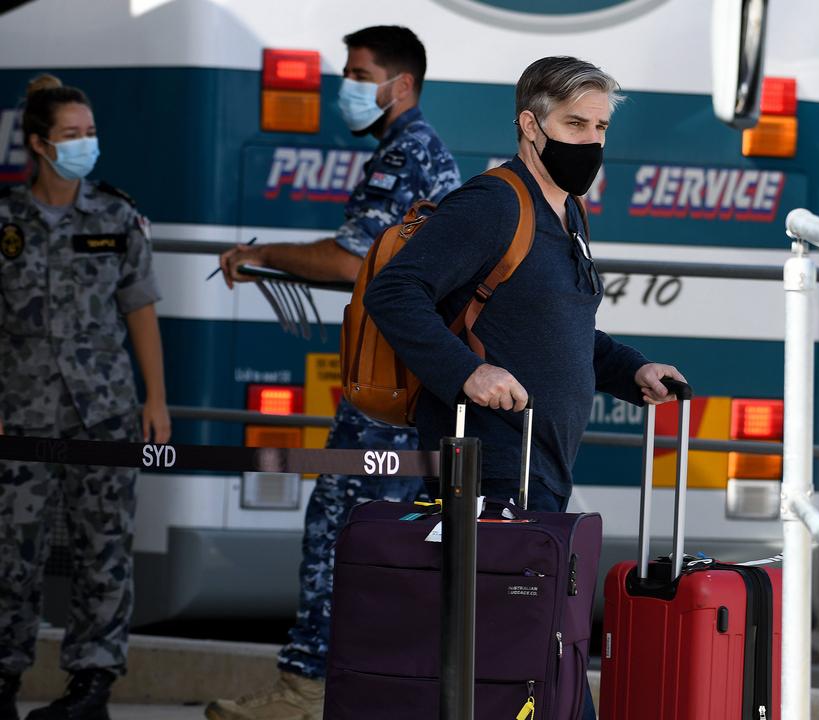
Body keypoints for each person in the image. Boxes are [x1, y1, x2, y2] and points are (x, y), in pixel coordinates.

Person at [363, 56, 686, 719]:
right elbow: (394, 292)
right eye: (574, 123)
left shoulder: (568, 214)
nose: (590, 141)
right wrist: (466, 373)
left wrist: (633, 372)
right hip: (490, 468)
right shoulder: (493, 204)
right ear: (529, 124)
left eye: (599, 127)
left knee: (531, 657)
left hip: (541, 469)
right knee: (526, 657)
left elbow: (564, 335)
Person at [205, 26, 460, 720]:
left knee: (341, 532)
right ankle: (353, 690)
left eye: (357, 73)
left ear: (400, 85)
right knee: (376, 537)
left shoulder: (405, 153)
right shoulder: (413, 151)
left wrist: (263, 255)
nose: (345, 87)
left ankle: (306, 694)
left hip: (389, 392)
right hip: (404, 387)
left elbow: (356, 262)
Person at [0, 74, 170, 720]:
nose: (84, 145)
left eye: (90, 134)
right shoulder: (5, 222)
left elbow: (141, 311)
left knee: (103, 549)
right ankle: (3, 681)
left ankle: (91, 687)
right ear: (40, 145)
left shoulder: (116, 215)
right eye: (71, 136)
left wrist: (156, 400)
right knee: (9, 555)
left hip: (103, 412)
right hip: (17, 416)